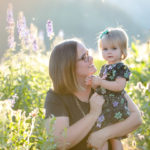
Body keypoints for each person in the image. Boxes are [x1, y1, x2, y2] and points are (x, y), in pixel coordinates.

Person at [44, 39, 142, 150]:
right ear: (69, 67)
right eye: (84, 57)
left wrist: (102, 134)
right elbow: (59, 143)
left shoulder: (101, 83)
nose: (91, 59)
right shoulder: (55, 97)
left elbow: (136, 118)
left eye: (88, 54)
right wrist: (93, 114)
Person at [85, 27, 132, 150]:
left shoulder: (121, 68)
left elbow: (118, 86)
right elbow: (100, 86)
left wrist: (101, 81)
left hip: (115, 107)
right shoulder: (104, 68)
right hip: (104, 107)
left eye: (114, 48)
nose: (109, 52)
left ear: (122, 50)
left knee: (114, 136)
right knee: (102, 137)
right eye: (105, 49)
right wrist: (94, 82)